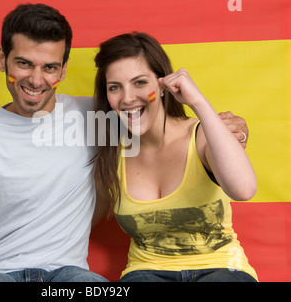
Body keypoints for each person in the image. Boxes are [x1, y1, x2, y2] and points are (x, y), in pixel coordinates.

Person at [0, 3, 249, 282]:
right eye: (23, 63)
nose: (35, 79)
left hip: (67, 276)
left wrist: (222, 127)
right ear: (3, 60)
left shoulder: (102, 116)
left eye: (49, 67)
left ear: (62, 71)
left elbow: (152, 116)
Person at [92, 32, 257, 282]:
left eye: (139, 83)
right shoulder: (111, 153)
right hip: (146, 272)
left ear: (162, 86)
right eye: (115, 87)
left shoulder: (200, 135)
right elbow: (81, 218)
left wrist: (198, 101)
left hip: (221, 268)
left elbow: (244, 190)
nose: (127, 98)